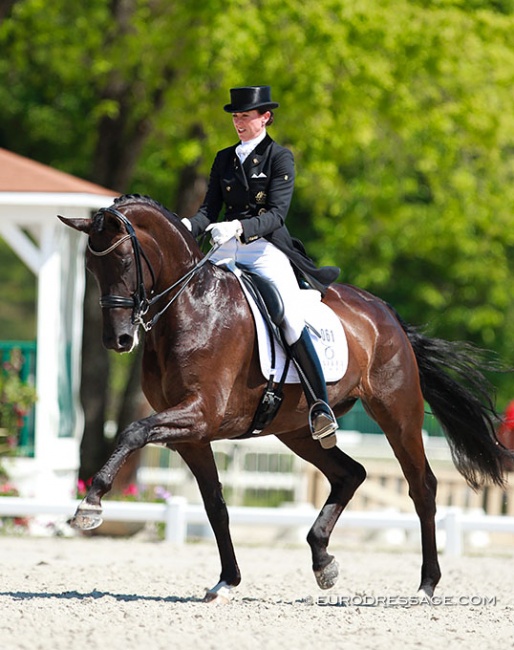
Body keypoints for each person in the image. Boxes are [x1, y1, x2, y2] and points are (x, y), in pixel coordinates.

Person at [181, 85, 340, 444]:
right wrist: (191, 225)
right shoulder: (224, 158)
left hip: (264, 249)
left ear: (265, 117)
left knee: (289, 316)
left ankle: (320, 406)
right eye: (235, 116)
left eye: (245, 116)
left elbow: (276, 215)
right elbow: (209, 209)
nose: (238, 122)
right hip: (225, 247)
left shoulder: (279, 157)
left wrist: (239, 226)